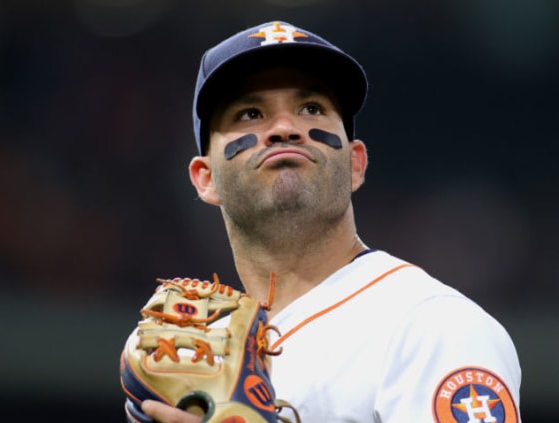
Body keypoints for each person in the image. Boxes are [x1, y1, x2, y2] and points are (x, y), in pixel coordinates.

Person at [137, 20, 521, 422]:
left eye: (312, 109)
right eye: (250, 113)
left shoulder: (431, 325)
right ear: (206, 178)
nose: (285, 128)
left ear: (356, 164)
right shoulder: (209, 357)